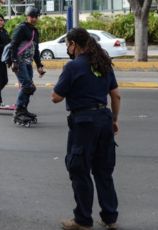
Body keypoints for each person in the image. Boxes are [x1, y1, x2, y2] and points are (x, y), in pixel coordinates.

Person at [51, 28, 121, 230]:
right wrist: (114, 120)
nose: (68, 50)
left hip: (84, 123)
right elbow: (116, 95)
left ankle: (83, 220)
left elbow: (56, 97)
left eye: (68, 46)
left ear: (74, 44)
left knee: (79, 170)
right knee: (103, 171)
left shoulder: (73, 66)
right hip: (104, 119)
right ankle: (110, 218)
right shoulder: (103, 63)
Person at [10, 6, 45, 121]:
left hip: (28, 63)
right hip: (19, 62)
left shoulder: (35, 31)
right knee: (27, 86)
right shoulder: (21, 28)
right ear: (27, 16)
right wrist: (14, 61)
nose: (34, 19)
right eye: (31, 16)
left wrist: (39, 65)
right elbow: (13, 45)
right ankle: (18, 111)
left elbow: (36, 50)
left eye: (35, 17)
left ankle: (23, 109)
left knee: (30, 88)